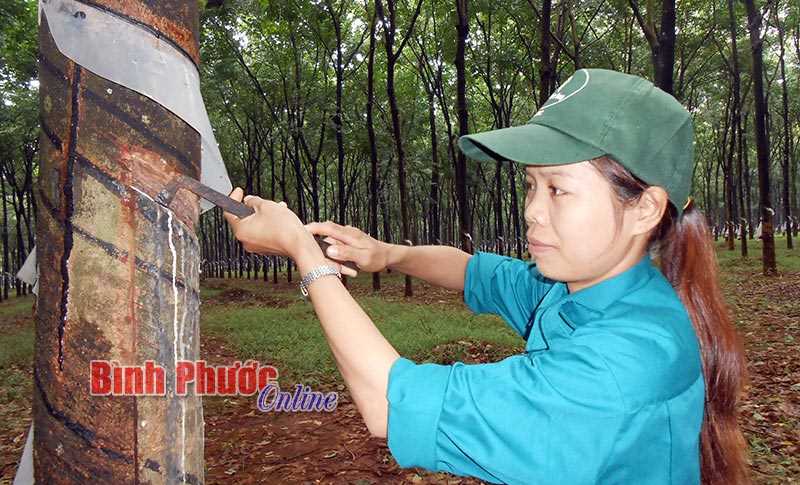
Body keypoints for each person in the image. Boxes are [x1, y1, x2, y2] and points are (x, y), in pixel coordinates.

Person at [223, 68, 750, 484]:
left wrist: (300, 249)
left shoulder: (625, 361)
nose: (533, 212)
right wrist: (387, 254)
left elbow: (387, 402)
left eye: (558, 190)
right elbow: (471, 270)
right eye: (531, 187)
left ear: (644, 209)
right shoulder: (583, 289)